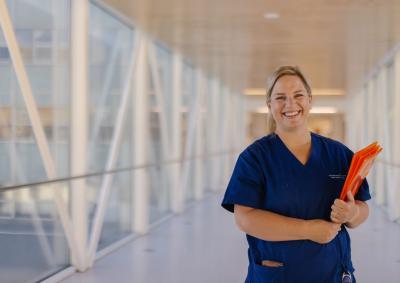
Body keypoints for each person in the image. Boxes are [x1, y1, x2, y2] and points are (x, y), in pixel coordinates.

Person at [221, 66, 370, 283]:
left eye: (298, 95)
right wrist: (307, 229)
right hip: (279, 274)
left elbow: (362, 208)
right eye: (280, 97)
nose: (290, 104)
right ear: (269, 105)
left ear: (309, 100)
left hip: (333, 274)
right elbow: (244, 218)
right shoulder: (254, 158)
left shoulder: (338, 154)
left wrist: (351, 214)